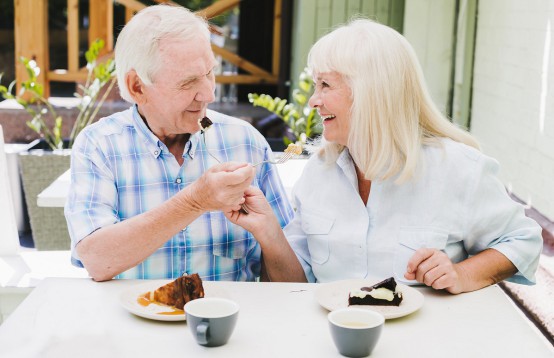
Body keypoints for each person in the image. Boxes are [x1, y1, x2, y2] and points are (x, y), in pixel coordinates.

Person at [226, 19, 543, 294]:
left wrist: (461, 273)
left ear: (371, 91)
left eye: (325, 84)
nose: (313, 101)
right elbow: (295, 286)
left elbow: (523, 241)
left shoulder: (459, 168)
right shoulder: (318, 172)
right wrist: (267, 231)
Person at [64, 4, 293, 282]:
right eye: (188, 82)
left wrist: (269, 235)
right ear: (137, 86)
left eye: (210, 73)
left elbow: (294, 285)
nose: (208, 94)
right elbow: (96, 260)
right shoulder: (99, 145)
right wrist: (195, 201)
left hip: (229, 323)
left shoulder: (246, 141)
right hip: (133, 323)